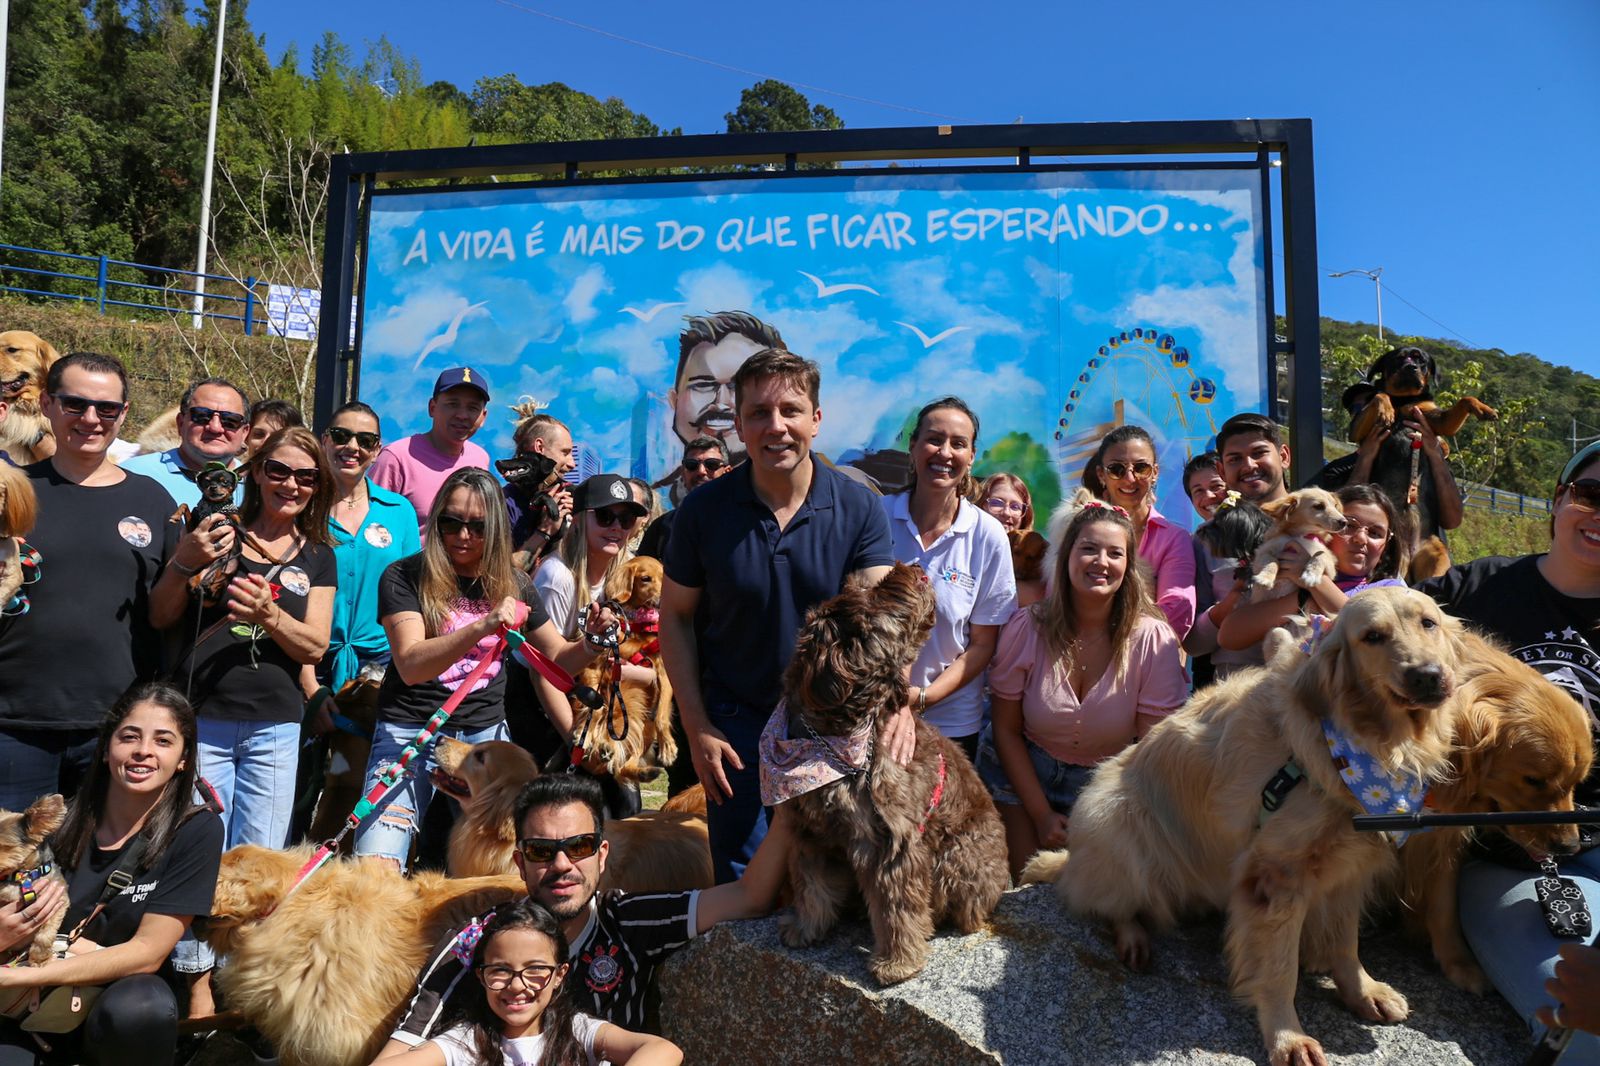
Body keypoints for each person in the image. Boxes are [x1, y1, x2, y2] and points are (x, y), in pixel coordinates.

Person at [661, 348, 900, 883]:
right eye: (759, 414)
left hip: (828, 726)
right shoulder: (702, 512)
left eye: (791, 410)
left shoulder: (858, 507)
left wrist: (897, 705)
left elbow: (880, 625)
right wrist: (697, 725)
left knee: (828, 879)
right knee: (745, 886)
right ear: (739, 426)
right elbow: (674, 617)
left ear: (816, 418)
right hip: (733, 726)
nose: (777, 427)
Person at [378, 773, 791, 1055]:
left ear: (602, 854)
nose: (561, 865)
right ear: (519, 863)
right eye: (542, 851)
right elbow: (400, 1052)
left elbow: (748, 896)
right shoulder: (477, 941)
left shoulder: (628, 921)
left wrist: (795, 807)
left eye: (579, 847)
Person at [1418, 441, 1600, 1061]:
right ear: (1558, 500)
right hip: (1500, 862)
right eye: (1591, 495)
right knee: (1585, 1031)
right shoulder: (1474, 589)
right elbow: (1370, 625)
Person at [354, 468, 605, 870]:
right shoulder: (404, 576)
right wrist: (484, 625)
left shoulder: (515, 583)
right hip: (411, 731)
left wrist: (593, 641)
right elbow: (412, 663)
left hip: (484, 739)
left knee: (505, 865)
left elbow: (558, 659)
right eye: (451, 522)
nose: (463, 536)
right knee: (375, 863)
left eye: (478, 526)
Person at [0, 683, 223, 1066]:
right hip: (29, 1004)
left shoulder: (196, 830)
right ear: (106, 749)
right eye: (130, 736)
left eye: (164, 741)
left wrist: (20, 977)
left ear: (184, 758)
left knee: (142, 1008)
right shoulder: (56, 823)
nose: (143, 751)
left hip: (114, 996)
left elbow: (147, 954)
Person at [0, 353, 178, 810]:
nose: (91, 419)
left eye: (107, 408)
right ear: (46, 404)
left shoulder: (152, 498)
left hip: (117, 727)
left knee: (93, 872)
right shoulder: (12, 490)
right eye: (74, 404)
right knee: (12, 873)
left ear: (124, 412)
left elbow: (167, 611)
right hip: (14, 721)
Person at [976, 501, 1187, 877]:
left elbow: (1150, 751)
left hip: (1109, 784)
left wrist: (1101, 817)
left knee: (1092, 896)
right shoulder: (1027, 626)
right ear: (1066, 557)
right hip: (1021, 774)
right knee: (1025, 889)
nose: (1100, 562)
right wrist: (1041, 815)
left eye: (1114, 553)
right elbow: (1005, 730)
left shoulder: (1153, 640)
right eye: (1088, 548)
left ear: (1129, 566)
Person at [378, 899, 682, 1066]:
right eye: (500, 970)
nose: (517, 985)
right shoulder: (467, 1042)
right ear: (480, 975)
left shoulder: (577, 1030)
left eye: (535, 969)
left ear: (560, 974)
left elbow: (663, 1050)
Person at [882, 397, 1015, 758]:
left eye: (958, 444)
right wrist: (893, 699)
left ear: (972, 456)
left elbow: (983, 645)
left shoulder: (987, 535)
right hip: (874, 714)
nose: (944, 452)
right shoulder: (877, 519)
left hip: (951, 725)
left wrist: (922, 698)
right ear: (912, 445)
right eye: (934, 439)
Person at [307, 402, 422, 697]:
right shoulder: (301, 506)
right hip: (308, 661)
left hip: (380, 667)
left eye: (365, 440)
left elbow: (414, 591)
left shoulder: (399, 511)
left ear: (377, 450)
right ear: (325, 440)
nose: (352, 446)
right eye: (341, 435)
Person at [1218, 482, 1408, 650]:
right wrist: (1299, 595)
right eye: (1348, 526)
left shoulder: (1392, 591)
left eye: (1375, 533)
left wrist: (1315, 584)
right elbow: (1228, 637)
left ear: (1386, 546)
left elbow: (1370, 627)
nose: (1360, 539)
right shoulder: (1285, 572)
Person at [1081, 425, 1196, 639]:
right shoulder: (1077, 532)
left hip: (1147, 660)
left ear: (1155, 473)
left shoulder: (1173, 539)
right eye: (1117, 469)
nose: (1130, 478)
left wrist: (1111, 636)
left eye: (1141, 468)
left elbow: (1178, 610)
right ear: (1101, 475)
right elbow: (1060, 597)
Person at [372, 368, 493, 538]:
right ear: (432, 408)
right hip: (411, 564)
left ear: (483, 417)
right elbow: (371, 526)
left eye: (472, 408)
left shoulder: (480, 459)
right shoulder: (397, 457)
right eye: (453, 404)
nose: (462, 415)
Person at [665, 312, 784, 473]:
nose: (721, 402)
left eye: (739, 386)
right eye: (703, 385)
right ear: (674, 400)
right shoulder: (651, 497)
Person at [119, 378, 250, 509]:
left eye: (230, 420)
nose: (215, 427)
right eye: (202, 416)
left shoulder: (259, 487)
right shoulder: (131, 474)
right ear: (180, 423)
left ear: (245, 432)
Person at [635, 436, 728, 563]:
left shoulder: (748, 522)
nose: (701, 471)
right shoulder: (661, 527)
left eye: (711, 464)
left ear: (727, 471)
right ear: (683, 473)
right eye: (692, 465)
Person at [504, 407, 576, 566]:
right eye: (565, 453)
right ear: (540, 447)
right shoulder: (505, 503)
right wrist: (546, 530)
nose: (572, 464)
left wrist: (580, 520)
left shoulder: (570, 494)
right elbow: (502, 574)